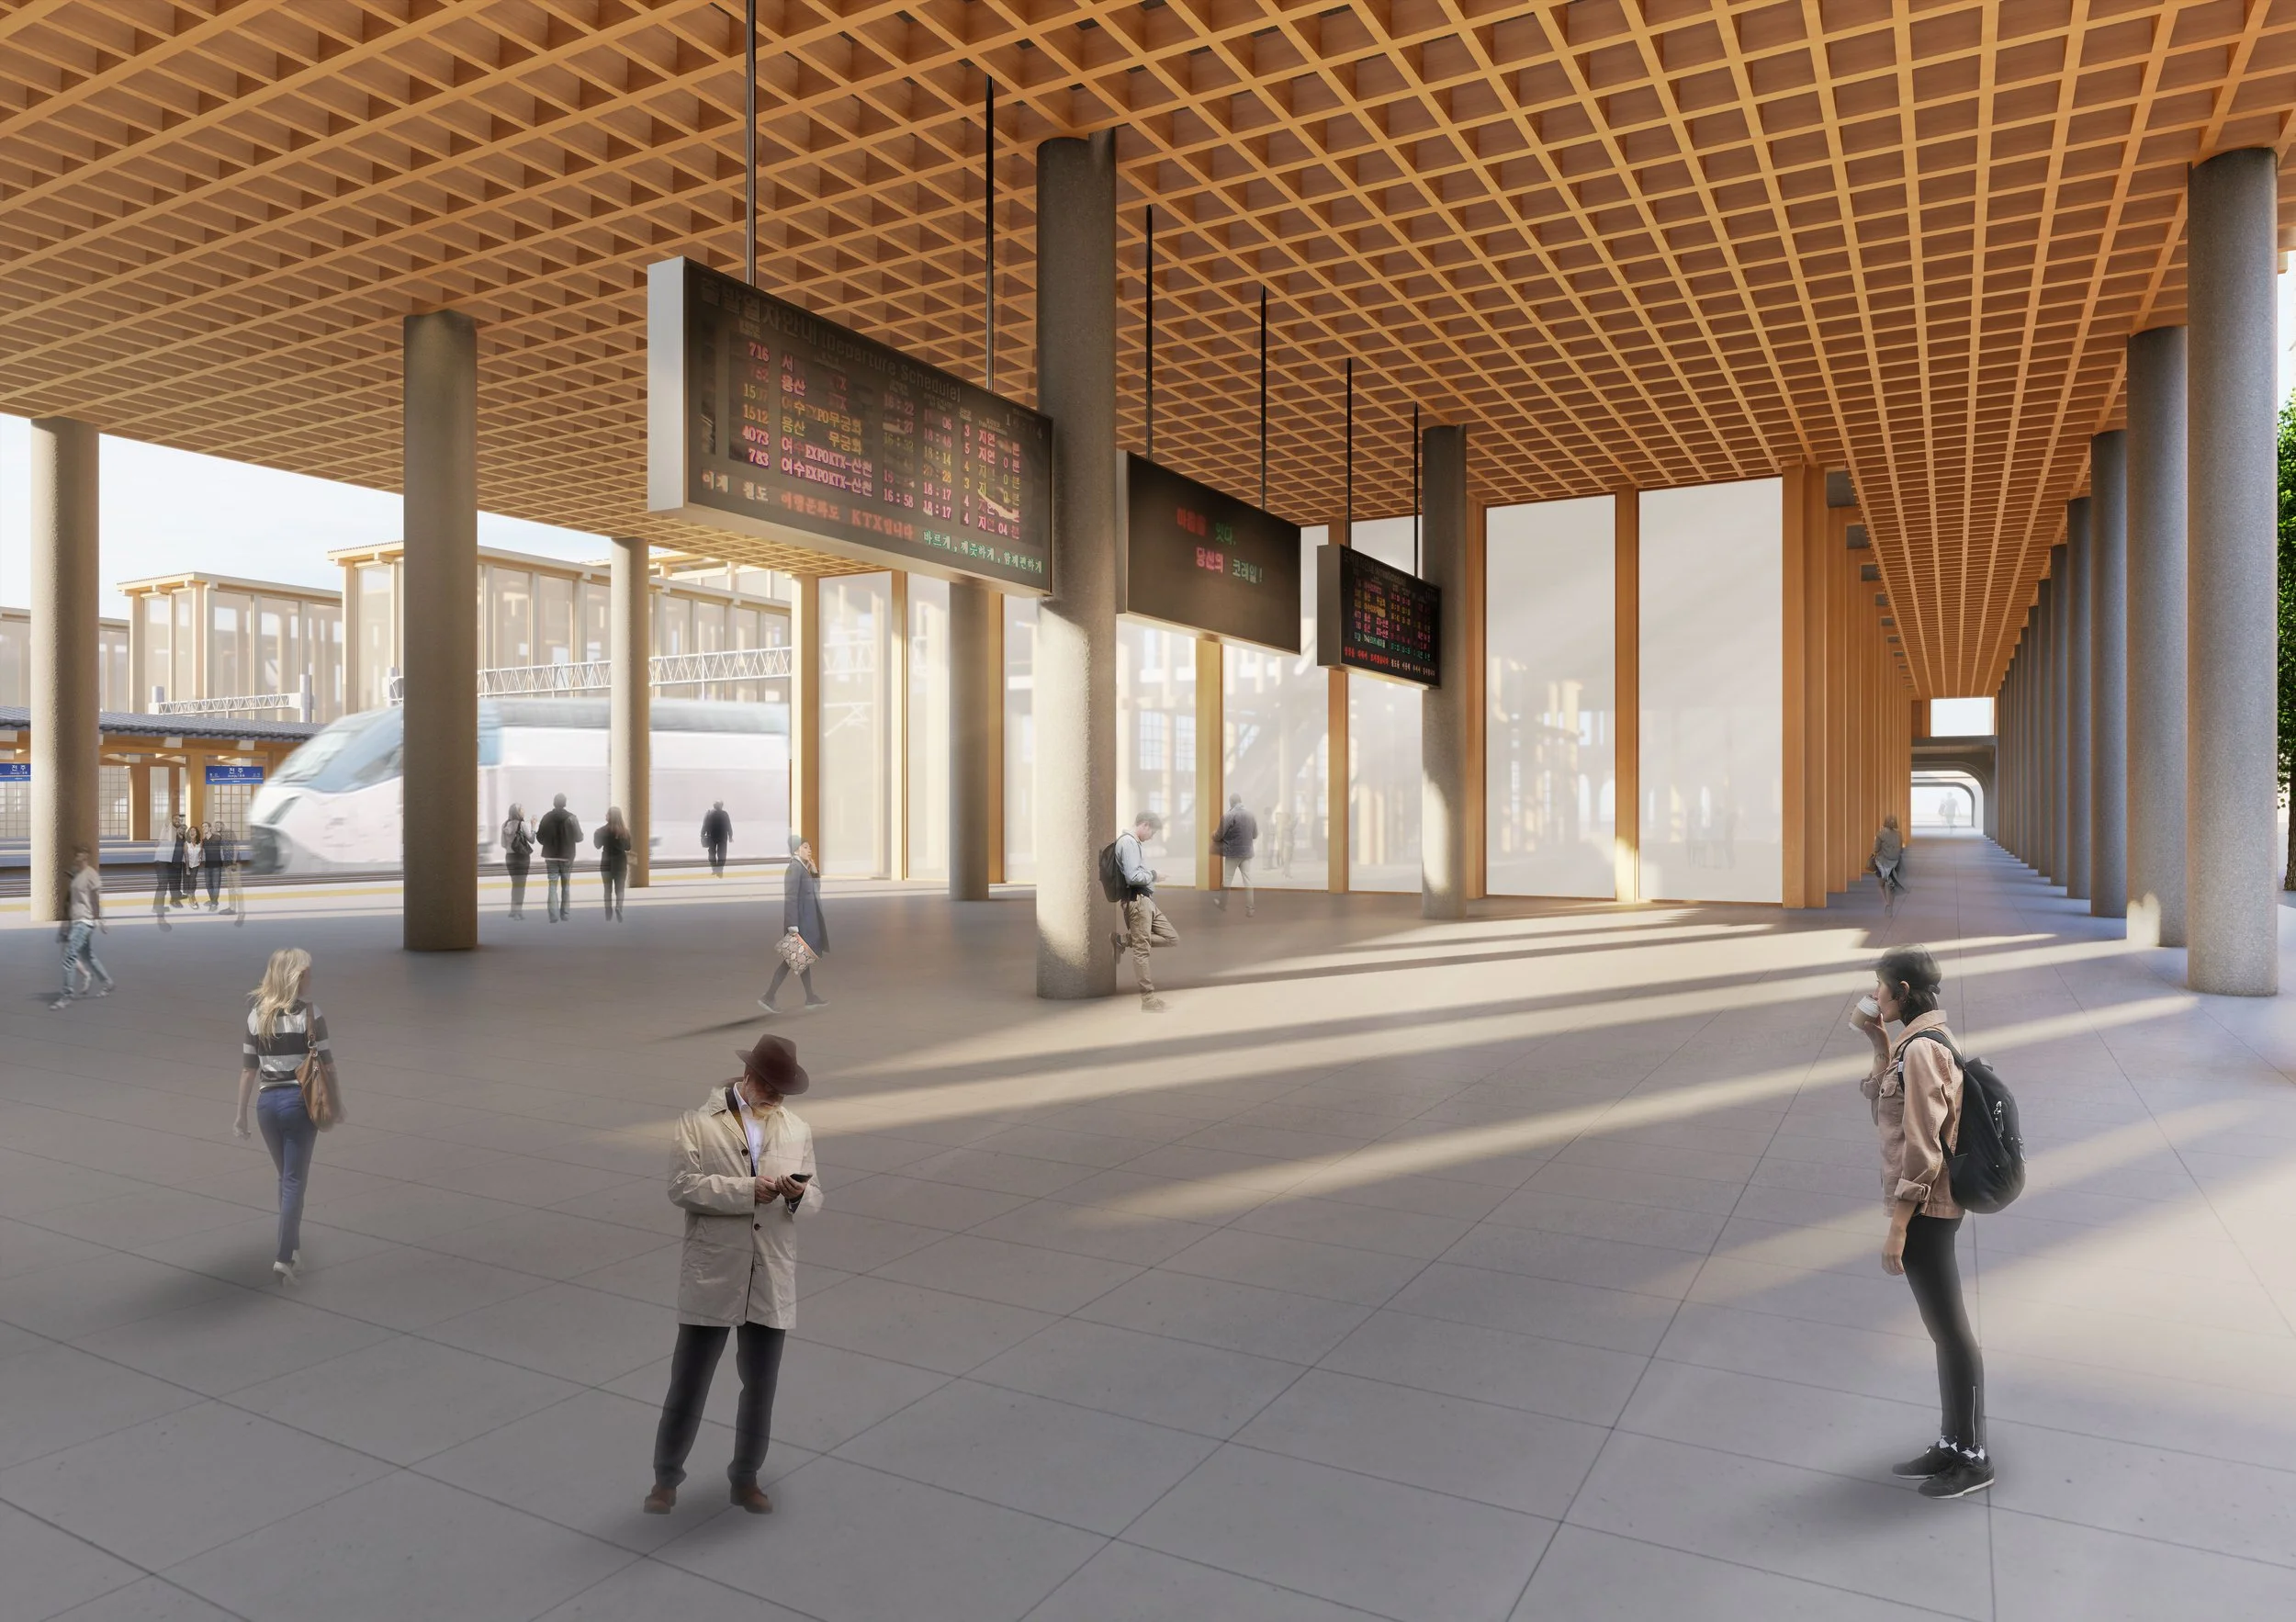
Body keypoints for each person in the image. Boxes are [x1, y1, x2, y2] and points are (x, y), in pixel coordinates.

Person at [644, 1032, 822, 1516]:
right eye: (771, 1086)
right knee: (689, 1382)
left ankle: (745, 1479)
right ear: (750, 1077)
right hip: (715, 1272)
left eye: (784, 1091)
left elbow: (816, 1199)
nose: (776, 1098)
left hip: (769, 1276)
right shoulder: (698, 1124)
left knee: (761, 1387)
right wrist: (748, 1192)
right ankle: (666, 1480)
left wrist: (795, 1194)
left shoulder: (797, 1129)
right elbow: (682, 1187)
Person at [1851, 945, 1990, 1500]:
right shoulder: (1911, 1045)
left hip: (1928, 1212)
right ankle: (1952, 1443)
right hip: (1925, 1210)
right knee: (1943, 1331)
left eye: (1881, 988)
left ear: (1902, 991)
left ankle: (1973, 1456)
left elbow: (1923, 1147)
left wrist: (1898, 1226)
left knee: (1952, 1332)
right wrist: (1875, 1039)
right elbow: (1880, 1098)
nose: (1874, 996)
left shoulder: (1922, 1052)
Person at [233, 948, 340, 1289]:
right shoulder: (310, 1014)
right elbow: (327, 1064)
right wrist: (335, 1102)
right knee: (294, 1181)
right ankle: (282, 1257)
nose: (311, 977)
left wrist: (240, 1116)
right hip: (299, 1105)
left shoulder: (256, 1016)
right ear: (295, 977)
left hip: (266, 1106)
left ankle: (292, 1250)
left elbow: (249, 1071)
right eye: (307, 972)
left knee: (285, 1179)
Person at [1109, 811, 1177, 1012]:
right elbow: (1132, 876)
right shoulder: (1129, 843)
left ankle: (1123, 940)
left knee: (1172, 937)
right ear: (1145, 825)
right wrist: (1155, 875)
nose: (1152, 837)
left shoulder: (1133, 843)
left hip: (1145, 900)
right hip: (1136, 901)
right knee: (1142, 951)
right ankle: (1148, 1001)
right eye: (1153, 833)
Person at [759, 835, 827, 1012]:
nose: (809, 850)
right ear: (796, 850)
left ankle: (810, 997)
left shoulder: (803, 868)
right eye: (805, 847)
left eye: (810, 847)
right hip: (799, 925)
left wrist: (814, 872)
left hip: (804, 923)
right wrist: (792, 925)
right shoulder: (794, 868)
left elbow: (815, 891)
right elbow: (790, 897)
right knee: (790, 961)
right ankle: (768, 997)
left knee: (802, 960)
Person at [51, 847, 114, 1009]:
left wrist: (101, 920)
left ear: (85, 856)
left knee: (69, 956)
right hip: (77, 921)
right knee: (89, 956)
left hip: (85, 922)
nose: (76, 857)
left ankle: (66, 996)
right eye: (75, 854)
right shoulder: (77, 873)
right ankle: (107, 982)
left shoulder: (91, 874)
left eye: (79, 854)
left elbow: (95, 900)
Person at [536, 793, 581, 921]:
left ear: (554, 803)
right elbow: (579, 838)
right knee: (566, 886)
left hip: (550, 856)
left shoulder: (546, 817)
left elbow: (539, 837)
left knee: (552, 885)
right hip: (567, 856)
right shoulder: (572, 818)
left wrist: (549, 842)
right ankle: (565, 915)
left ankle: (553, 916)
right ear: (565, 803)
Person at [1212, 793, 1258, 916]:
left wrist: (1213, 834)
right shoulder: (1251, 815)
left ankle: (1222, 904)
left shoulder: (1228, 815)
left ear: (1231, 803)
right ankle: (1250, 909)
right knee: (1248, 880)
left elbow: (1218, 835)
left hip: (1232, 853)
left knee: (1227, 880)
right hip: (1247, 853)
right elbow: (1255, 835)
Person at [596, 805, 634, 921]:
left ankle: (608, 913)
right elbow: (628, 848)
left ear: (610, 816)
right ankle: (619, 908)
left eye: (607, 813)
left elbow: (597, 846)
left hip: (606, 862)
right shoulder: (625, 832)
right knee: (620, 889)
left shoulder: (601, 831)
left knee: (607, 889)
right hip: (620, 863)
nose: (605, 815)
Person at [501, 803, 535, 918]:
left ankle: (513, 910)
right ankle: (518, 911)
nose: (524, 811)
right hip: (521, 857)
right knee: (520, 885)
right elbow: (531, 840)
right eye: (522, 810)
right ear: (518, 812)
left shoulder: (504, 825)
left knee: (515, 883)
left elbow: (503, 844)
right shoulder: (522, 824)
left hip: (509, 857)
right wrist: (533, 826)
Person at [1872, 814, 1908, 918]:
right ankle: (1891, 905)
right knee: (1892, 886)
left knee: (1881, 885)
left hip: (1883, 862)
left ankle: (1887, 903)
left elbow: (1876, 849)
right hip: (1895, 863)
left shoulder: (1880, 834)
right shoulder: (1899, 834)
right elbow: (1901, 849)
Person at [202, 822, 230, 910]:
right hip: (207, 866)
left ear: (210, 828)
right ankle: (213, 900)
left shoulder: (217, 837)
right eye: (202, 827)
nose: (204, 828)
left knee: (216, 884)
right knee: (208, 884)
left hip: (217, 865)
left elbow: (225, 848)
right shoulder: (204, 840)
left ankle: (214, 903)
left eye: (205, 826)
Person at [702, 801, 733, 877]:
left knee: (711, 853)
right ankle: (719, 870)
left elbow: (705, 825)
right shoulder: (724, 814)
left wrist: (702, 835)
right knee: (722, 854)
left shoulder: (709, 813)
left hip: (711, 836)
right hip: (722, 837)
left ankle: (715, 869)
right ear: (721, 806)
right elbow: (729, 826)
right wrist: (730, 836)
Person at [181, 822, 203, 906]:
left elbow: (201, 852)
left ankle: (192, 896)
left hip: (196, 865)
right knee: (188, 880)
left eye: (194, 831)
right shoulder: (186, 843)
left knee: (192, 880)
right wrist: (187, 869)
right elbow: (186, 857)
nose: (192, 832)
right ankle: (190, 896)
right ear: (189, 833)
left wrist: (200, 859)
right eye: (191, 831)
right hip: (187, 864)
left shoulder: (200, 843)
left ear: (196, 833)